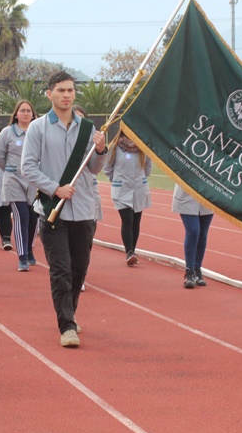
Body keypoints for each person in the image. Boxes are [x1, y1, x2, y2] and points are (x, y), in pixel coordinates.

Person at [21, 71, 107, 348]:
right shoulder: (38, 128)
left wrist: (101, 150)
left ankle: (69, 312)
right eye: (61, 90)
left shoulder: (88, 128)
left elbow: (93, 170)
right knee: (61, 269)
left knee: (79, 268)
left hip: (83, 209)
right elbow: (28, 167)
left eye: (70, 90)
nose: (67, 95)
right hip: (53, 210)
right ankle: (66, 325)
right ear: (49, 94)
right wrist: (54, 188)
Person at [0, 100, 40, 272]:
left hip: (34, 181)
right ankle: (22, 256)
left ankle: (29, 249)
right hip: (14, 180)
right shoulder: (7, 133)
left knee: (34, 217)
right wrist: (11, 170)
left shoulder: (37, 131)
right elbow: (0, 157)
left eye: (29, 110)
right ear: (16, 113)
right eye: (22, 110)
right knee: (22, 216)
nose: (26, 113)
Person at [104, 129, 152, 265]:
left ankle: (133, 251)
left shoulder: (143, 146)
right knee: (127, 219)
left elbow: (148, 167)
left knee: (136, 221)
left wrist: (140, 179)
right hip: (121, 189)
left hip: (139, 188)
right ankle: (129, 251)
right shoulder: (115, 146)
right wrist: (116, 180)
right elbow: (107, 167)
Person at [72, 105, 101, 293]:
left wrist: (100, 148)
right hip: (64, 195)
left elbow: (96, 167)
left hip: (88, 195)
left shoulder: (93, 137)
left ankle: (80, 275)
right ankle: (71, 275)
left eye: (82, 118)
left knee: (86, 241)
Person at [172, 184, 214, 288]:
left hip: (207, 194)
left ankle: (197, 269)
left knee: (202, 233)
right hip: (186, 194)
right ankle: (189, 271)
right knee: (193, 231)